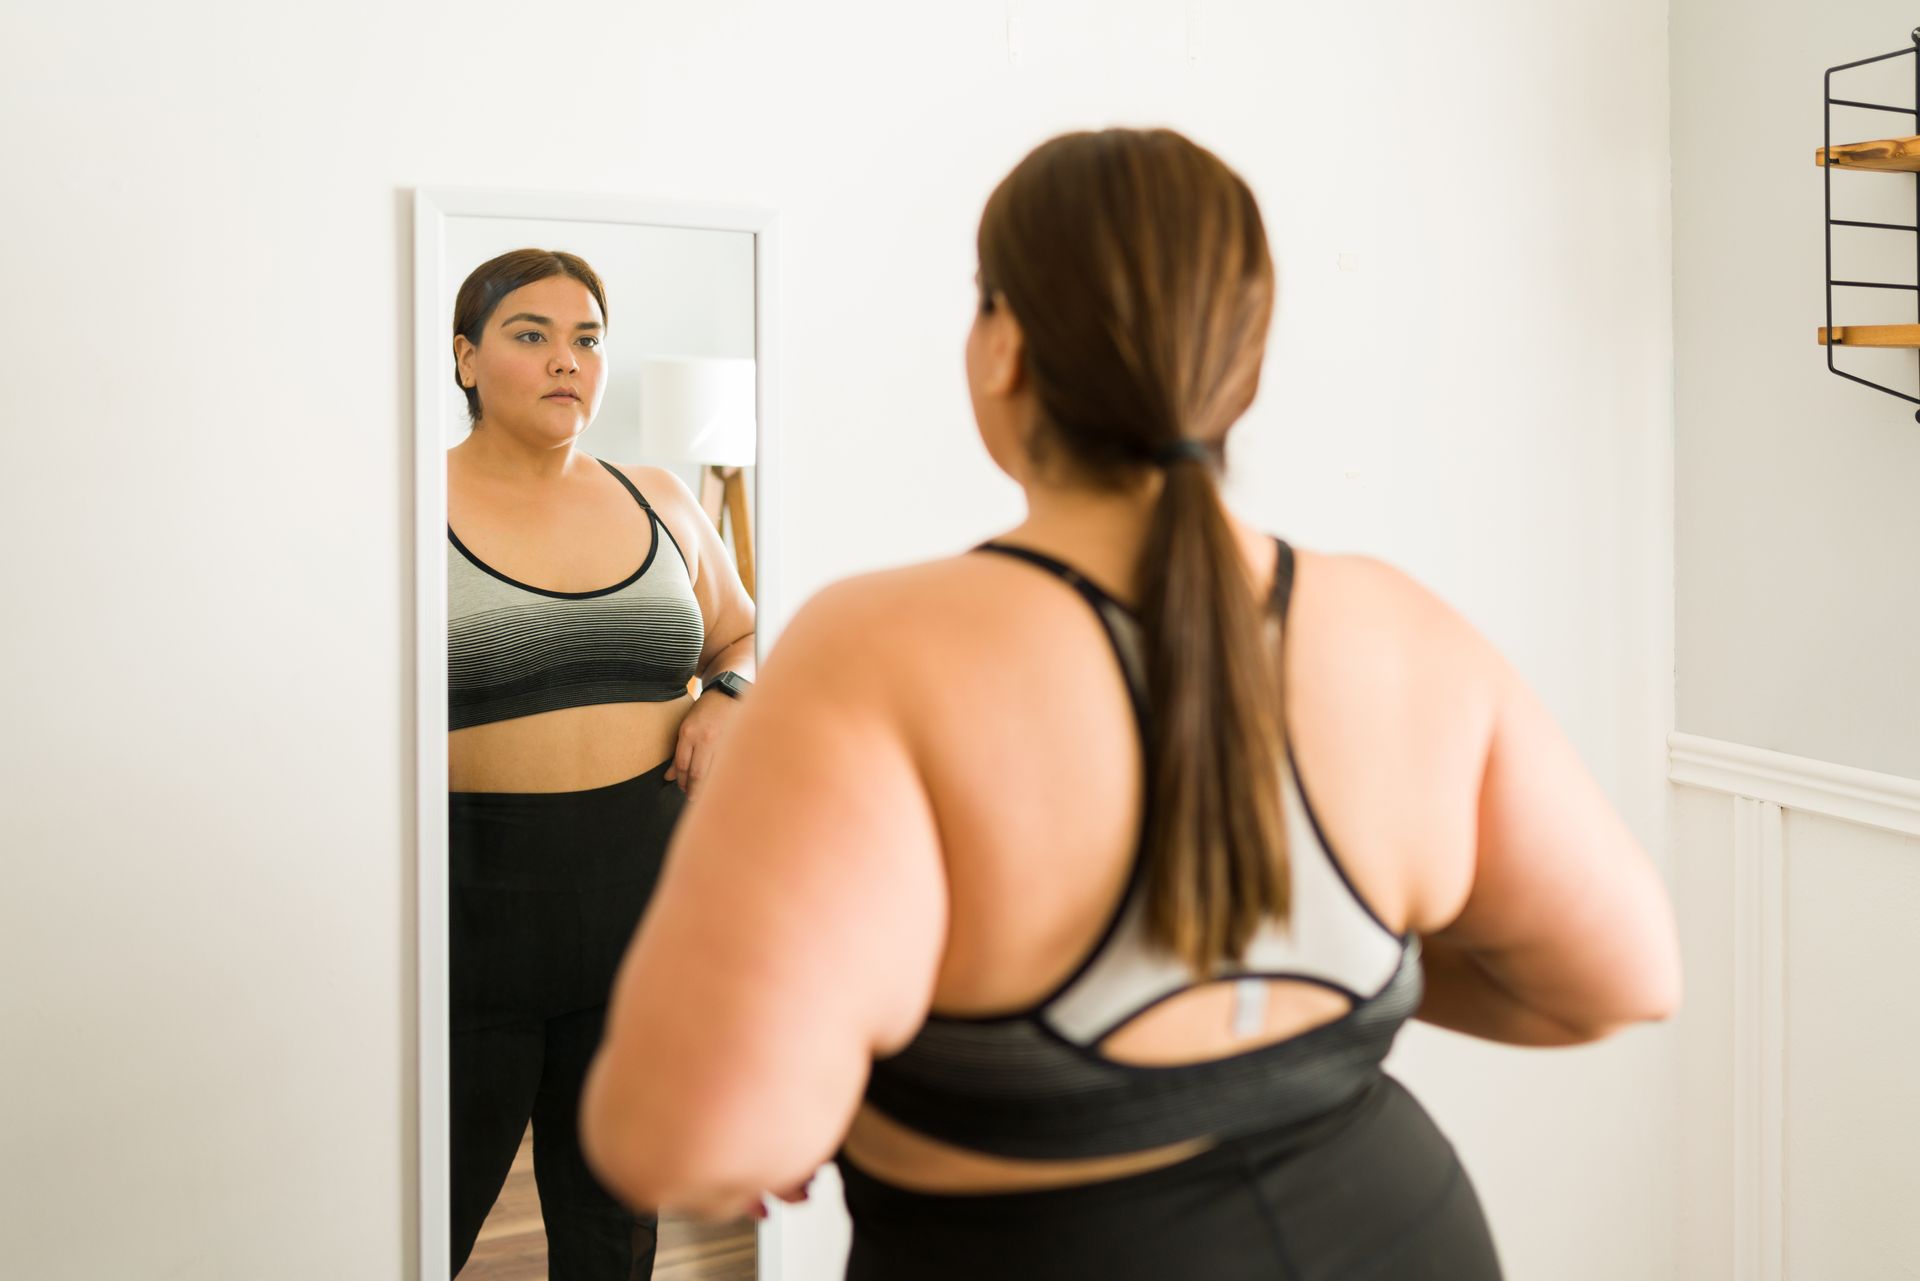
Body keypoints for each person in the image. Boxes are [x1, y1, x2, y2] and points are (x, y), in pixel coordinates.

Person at [579, 130, 1681, 1279]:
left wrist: (840, 1055)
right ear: (1239, 366)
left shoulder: (878, 650)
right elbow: (1620, 983)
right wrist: (1311, 970)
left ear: (1002, 345)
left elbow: (682, 1139)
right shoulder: (1398, 627)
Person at [445, 248, 757, 1279]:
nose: (565, 360)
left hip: (636, 902)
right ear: (464, 358)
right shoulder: (404, 506)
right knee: (426, 1215)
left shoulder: (663, 496)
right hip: (468, 910)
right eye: (529, 335)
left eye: (586, 338)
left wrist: (726, 699)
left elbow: (744, 639)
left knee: (613, 1231)